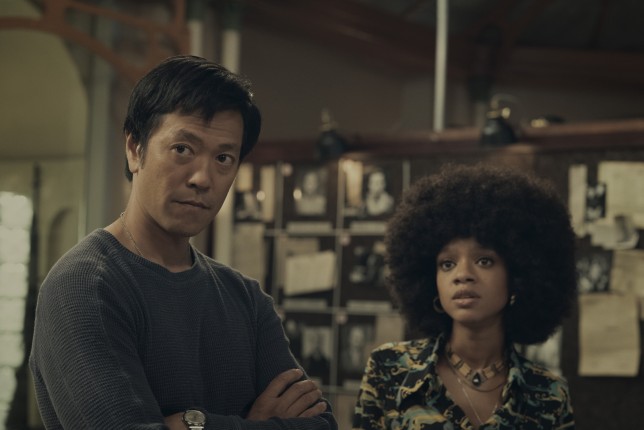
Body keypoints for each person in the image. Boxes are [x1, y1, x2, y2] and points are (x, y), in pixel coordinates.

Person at [29, 55, 337, 430]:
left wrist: (194, 424)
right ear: (134, 148)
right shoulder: (84, 286)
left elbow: (321, 424)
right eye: (182, 149)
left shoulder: (245, 298)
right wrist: (255, 423)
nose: (202, 178)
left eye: (223, 158)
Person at [353, 164, 577, 429]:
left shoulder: (549, 395)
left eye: (484, 261)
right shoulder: (389, 368)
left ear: (519, 275)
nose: (463, 275)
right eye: (447, 264)